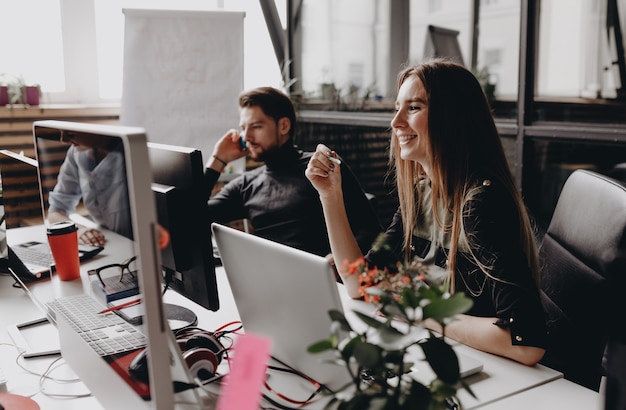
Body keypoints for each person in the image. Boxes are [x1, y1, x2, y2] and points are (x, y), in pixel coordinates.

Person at [305, 59, 547, 366]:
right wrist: (330, 196)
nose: (396, 123)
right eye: (397, 108)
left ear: (453, 118)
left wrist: (420, 313)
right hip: (434, 350)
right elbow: (360, 283)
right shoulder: (422, 194)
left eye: (414, 108)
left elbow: (527, 343)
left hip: (482, 368)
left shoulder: (480, 204)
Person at [204, 86, 381, 260]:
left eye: (256, 126)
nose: (246, 136)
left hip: (325, 281)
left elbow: (372, 230)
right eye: (243, 128)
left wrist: (339, 261)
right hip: (271, 280)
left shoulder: (320, 168)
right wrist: (218, 160)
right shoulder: (246, 184)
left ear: (283, 126)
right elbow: (192, 216)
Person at [47, 131, 131, 246]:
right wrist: (80, 230)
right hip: (106, 243)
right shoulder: (75, 152)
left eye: (70, 133)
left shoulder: (130, 152)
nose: (63, 140)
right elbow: (55, 211)